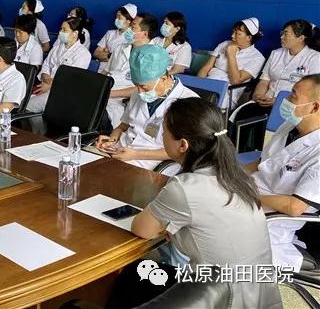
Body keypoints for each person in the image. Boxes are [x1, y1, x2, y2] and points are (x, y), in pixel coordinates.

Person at [109, 98, 281, 309]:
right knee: (137, 274)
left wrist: (168, 226)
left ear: (183, 145)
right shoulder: (236, 176)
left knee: (134, 275)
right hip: (259, 297)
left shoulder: (185, 187)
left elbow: (142, 229)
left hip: (220, 300)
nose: (162, 137)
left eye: (164, 133)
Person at [247, 74, 320, 272]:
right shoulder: (289, 126)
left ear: (314, 107)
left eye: (293, 96)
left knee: (207, 227)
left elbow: (294, 207)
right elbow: (263, 163)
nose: (285, 100)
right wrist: (228, 174)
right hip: (252, 194)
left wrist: (247, 195)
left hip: (272, 217)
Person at [97, 44, 198, 172]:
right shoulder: (139, 93)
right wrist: (111, 140)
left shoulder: (189, 102)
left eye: (144, 87)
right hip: (119, 151)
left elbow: (183, 151)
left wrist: (135, 154)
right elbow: (122, 127)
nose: (139, 91)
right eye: (137, 86)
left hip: (148, 163)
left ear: (163, 78)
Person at [102, 12, 157, 128]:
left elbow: (144, 88)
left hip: (122, 101)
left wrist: (108, 94)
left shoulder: (154, 57)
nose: (129, 30)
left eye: (133, 27)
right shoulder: (121, 47)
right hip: (105, 92)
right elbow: (106, 72)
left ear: (144, 33)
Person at [26, 17, 91, 113]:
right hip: (45, 84)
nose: (61, 32)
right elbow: (46, 65)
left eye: (64, 30)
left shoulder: (83, 54)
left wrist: (50, 85)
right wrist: (45, 76)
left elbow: (71, 78)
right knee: (23, 100)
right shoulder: (56, 48)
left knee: (28, 105)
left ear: (75, 33)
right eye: (61, 29)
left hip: (62, 92)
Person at [198, 17, 266, 109]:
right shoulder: (224, 44)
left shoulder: (257, 58)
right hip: (207, 83)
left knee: (207, 108)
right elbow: (206, 68)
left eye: (237, 34)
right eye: (233, 32)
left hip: (227, 91)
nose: (232, 36)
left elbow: (235, 81)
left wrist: (231, 55)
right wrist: (198, 85)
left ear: (249, 37)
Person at [252, 19, 320, 109]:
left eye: (286, 34)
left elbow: (311, 90)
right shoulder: (275, 53)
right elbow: (264, 81)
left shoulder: (315, 58)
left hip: (291, 105)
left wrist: (278, 101)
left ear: (301, 38)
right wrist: (258, 96)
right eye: (282, 33)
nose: (281, 37)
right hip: (266, 100)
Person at [94, 3, 137, 73]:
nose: (116, 20)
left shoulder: (132, 38)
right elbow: (96, 53)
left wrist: (105, 54)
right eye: (116, 17)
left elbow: (124, 61)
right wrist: (109, 55)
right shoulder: (110, 33)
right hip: (101, 68)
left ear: (128, 20)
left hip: (119, 72)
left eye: (119, 18)